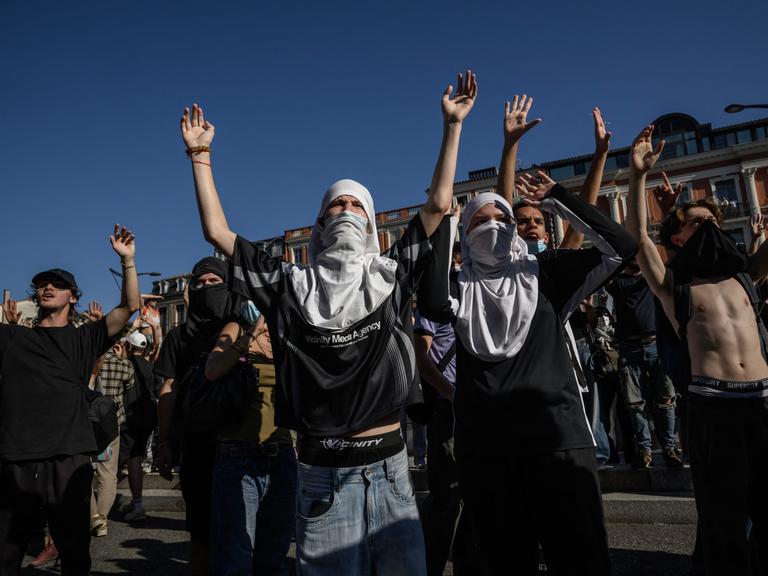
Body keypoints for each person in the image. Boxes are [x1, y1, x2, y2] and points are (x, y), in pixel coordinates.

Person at [179, 70, 476, 575]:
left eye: (357, 203)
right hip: (321, 473)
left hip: (391, 470)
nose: (346, 208)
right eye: (336, 202)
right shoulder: (288, 286)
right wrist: (200, 156)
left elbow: (438, 205)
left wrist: (453, 127)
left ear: (371, 223)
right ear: (320, 224)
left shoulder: (391, 275)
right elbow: (217, 231)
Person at [418, 97, 637, 574]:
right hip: (487, 452)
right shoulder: (458, 286)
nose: (493, 225)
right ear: (463, 233)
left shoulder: (547, 272)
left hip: (557, 443)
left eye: (503, 219)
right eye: (480, 220)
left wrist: (558, 195)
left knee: (579, 560)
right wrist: (448, 224)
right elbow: (431, 296)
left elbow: (622, 248)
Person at [626, 123, 768, 575]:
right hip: (713, 405)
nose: (704, 228)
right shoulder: (674, 288)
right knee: (722, 515)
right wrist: (636, 177)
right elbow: (640, 240)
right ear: (679, 237)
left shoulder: (744, 277)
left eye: (711, 221)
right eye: (694, 223)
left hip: (763, 400)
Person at [0, 225, 140, 576]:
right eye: (42, 284)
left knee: (74, 550)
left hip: (69, 455)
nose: (47, 288)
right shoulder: (12, 337)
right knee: (6, 551)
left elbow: (129, 306)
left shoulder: (85, 338)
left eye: (57, 285)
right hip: (18, 457)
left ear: (72, 296)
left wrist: (128, 262)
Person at [155, 256, 236, 576]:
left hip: (242, 440)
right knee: (201, 532)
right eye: (199, 283)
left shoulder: (242, 327)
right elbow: (168, 389)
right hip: (196, 443)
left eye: (214, 282)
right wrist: (164, 442)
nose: (206, 288)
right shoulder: (179, 337)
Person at [205, 308, 297, 575]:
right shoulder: (236, 327)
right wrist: (250, 335)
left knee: (274, 556)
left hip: (282, 455)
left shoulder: (286, 329)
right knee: (236, 557)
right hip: (238, 454)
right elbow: (212, 371)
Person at [606, 260, 683, 468]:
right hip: (629, 348)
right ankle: (645, 450)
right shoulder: (617, 283)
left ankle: (669, 448)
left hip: (656, 345)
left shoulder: (655, 279)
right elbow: (606, 270)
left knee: (666, 399)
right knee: (635, 404)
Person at [90, 339, 136, 537]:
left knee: (82, 470)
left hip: (88, 422)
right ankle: (102, 519)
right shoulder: (123, 365)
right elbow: (129, 387)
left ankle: (93, 515)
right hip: (111, 422)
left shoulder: (89, 361)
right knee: (108, 473)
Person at [120, 331, 160, 523]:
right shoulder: (151, 367)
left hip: (129, 418)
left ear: (129, 346)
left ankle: (137, 504)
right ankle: (137, 501)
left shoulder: (125, 365)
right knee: (136, 457)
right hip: (148, 418)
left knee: (130, 459)